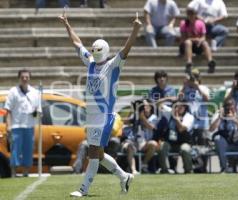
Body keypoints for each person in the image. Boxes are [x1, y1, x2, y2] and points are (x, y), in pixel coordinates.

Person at [58, 8, 142, 197]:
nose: (93, 52)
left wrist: (136, 30)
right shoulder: (90, 62)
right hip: (92, 115)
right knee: (100, 154)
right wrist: (67, 24)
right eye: (93, 49)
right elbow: (77, 43)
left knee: (93, 152)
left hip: (104, 116)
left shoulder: (113, 65)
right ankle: (124, 176)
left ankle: (83, 189)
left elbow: (126, 50)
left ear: (103, 51)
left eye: (97, 50)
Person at [4, 69, 42, 177]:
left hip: (29, 126)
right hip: (16, 126)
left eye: (27, 77)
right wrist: (8, 126)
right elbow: (8, 110)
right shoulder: (13, 91)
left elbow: (38, 110)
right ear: (19, 78)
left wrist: (36, 113)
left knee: (28, 150)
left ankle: (26, 173)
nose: (25, 79)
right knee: (15, 150)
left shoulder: (35, 92)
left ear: (29, 78)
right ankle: (13, 173)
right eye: (22, 77)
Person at [210, 98, 238, 173]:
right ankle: (224, 168)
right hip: (226, 145)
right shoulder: (218, 115)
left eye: (231, 106)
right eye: (227, 106)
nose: (229, 109)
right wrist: (219, 117)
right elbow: (211, 129)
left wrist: (234, 119)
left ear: (235, 107)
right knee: (218, 139)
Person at [180, 71, 210, 172]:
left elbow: (207, 99)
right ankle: (193, 167)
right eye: (192, 78)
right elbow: (179, 99)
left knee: (203, 147)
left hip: (202, 124)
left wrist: (197, 87)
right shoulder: (186, 89)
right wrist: (184, 86)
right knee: (192, 147)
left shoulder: (203, 88)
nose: (193, 80)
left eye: (195, 78)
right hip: (190, 124)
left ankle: (203, 168)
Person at [157, 98, 195, 173]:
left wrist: (177, 118)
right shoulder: (170, 112)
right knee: (162, 146)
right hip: (170, 142)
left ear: (185, 108)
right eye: (177, 106)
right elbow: (157, 105)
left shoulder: (189, 117)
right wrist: (168, 99)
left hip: (183, 142)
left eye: (182, 106)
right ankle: (164, 170)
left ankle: (188, 170)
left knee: (185, 149)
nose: (179, 108)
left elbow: (181, 129)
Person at [179, 6, 216, 74]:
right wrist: (194, 39)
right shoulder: (183, 23)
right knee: (188, 42)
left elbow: (203, 36)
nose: (191, 16)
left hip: (197, 45)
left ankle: (210, 62)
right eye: (189, 14)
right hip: (186, 45)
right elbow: (183, 38)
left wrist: (200, 40)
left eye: (192, 14)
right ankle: (189, 63)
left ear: (195, 15)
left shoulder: (200, 23)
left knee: (205, 43)